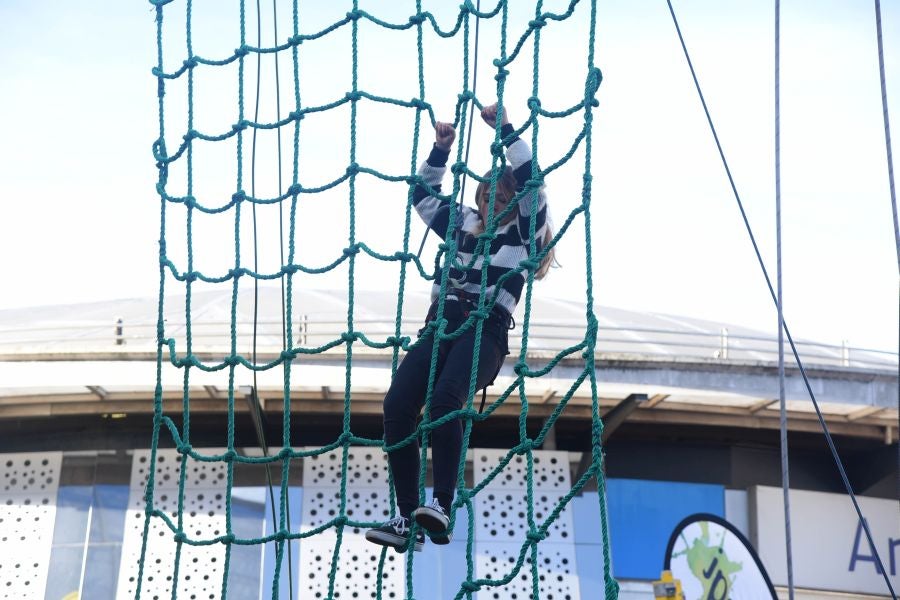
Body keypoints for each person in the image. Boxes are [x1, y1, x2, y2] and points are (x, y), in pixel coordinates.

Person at [365, 103, 554, 553]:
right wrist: (440, 149)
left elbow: (533, 183)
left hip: (484, 329)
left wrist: (507, 131)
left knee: (446, 400)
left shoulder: (524, 233)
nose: (490, 205)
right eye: (485, 197)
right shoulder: (462, 224)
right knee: (397, 405)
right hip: (441, 324)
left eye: (500, 199)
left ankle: (442, 505)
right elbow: (423, 194)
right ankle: (405, 515)